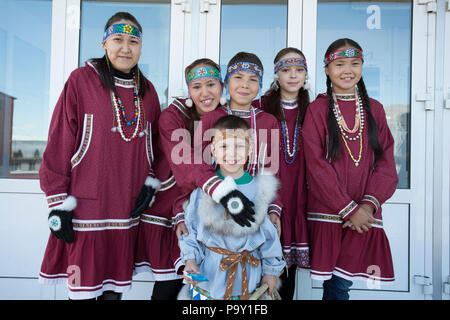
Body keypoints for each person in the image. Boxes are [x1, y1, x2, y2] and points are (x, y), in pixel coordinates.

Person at [38, 12, 161, 300]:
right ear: (104, 43)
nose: (125, 48)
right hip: (85, 210)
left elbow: (157, 146)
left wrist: (150, 181)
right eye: (117, 39)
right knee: (81, 291)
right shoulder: (81, 81)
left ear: (141, 47)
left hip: (125, 208)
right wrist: (57, 202)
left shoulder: (148, 91)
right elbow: (59, 141)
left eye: (133, 41)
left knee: (113, 294)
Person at [302, 38, 398, 300]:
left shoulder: (375, 109)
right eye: (339, 63)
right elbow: (316, 166)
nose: (347, 70)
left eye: (355, 63)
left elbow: (387, 162)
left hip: (363, 218)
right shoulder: (317, 109)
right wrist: (348, 209)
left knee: (341, 285)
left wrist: (366, 207)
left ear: (362, 66)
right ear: (326, 69)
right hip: (331, 214)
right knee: (334, 286)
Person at [134, 58, 225, 299]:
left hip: (203, 212)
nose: (205, 93)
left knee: (203, 288)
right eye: (197, 87)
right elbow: (186, 161)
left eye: (211, 84)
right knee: (168, 285)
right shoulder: (171, 117)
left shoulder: (223, 117)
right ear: (188, 90)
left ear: (222, 86)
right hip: (169, 212)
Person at [173, 52, 282, 237]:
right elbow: (198, 167)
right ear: (226, 82)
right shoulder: (211, 118)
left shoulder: (268, 121)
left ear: (261, 85)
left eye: (253, 79)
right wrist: (180, 212)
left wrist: (274, 208)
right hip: (213, 209)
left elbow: (271, 170)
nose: (245, 85)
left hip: (253, 209)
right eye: (238, 77)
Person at [179, 115, 285, 300]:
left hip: (249, 274)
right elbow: (191, 231)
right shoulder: (203, 191)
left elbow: (269, 237)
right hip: (210, 276)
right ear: (212, 149)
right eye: (224, 146)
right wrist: (190, 260)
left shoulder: (259, 190)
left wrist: (270, 271)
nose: (232, 154)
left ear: (250, 149)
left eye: (239, 146)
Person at [253, 47, 310, 300]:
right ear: (276, 75)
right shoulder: (260, 106)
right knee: (257, 272)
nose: (293, 76)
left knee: (289, 276)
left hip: (301, 192)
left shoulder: (316, 107)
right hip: (269, 190)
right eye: (286, 70)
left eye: (299, 70)